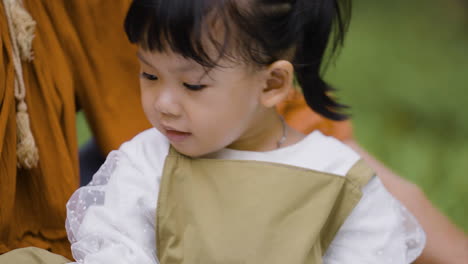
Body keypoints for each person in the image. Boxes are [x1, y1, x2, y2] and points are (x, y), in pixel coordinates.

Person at [1, 0, 466, 263]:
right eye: (147, 75)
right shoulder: (147, 159)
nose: (162, 103)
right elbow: (115, 245)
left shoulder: (336, 178)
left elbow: (370, 252)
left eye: (192, 84)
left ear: (271, 84)